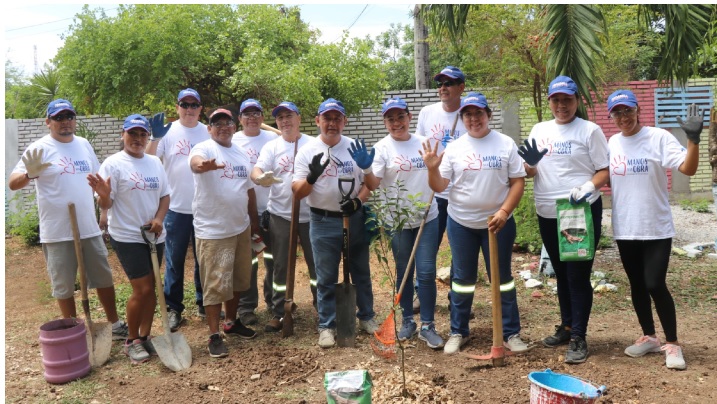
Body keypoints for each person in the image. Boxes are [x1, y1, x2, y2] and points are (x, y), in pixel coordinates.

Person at [8, 98, 128, 340]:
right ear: (48, 122)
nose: (65, 122)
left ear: (75, 120)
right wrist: (30, 174)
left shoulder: (83, 145)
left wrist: (104, 208)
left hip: (88, 227)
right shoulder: (39, 148)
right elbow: (12, 183)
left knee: (103, 276)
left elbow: (98, 184)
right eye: (59, 118)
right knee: (63, 284)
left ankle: (114, 324)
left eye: (69, 117)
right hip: (57, 230)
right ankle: (74, 329)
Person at [421, 92, 529, 355]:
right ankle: (458, 331)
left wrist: (504, 212)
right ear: (462, 119)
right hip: (462, 224)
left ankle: (510, 332)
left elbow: (518, 181)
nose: (473, 119)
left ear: (488, 115)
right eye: (467, 114)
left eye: (478, 113)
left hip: (498, 223)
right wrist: (432, 169)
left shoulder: (505, 143)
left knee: (502, 279)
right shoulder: (455, 148)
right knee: (462, 280)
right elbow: (439, 186)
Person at [606, 90, 703, 370]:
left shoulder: (658, 137)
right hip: (625, 228)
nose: (623, 117)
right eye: (617, 112)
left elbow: (689, 168)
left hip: (656, 227)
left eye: (628, 110)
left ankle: (672, 344)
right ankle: (649, 336)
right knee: (637, 285)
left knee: (654, 283)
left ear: (638, 110)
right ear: (612, 116)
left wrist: (694, 140)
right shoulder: (612, 143)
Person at [519, 76, 609, 364]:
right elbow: (530, 172)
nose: (562, 105)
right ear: (549, 102)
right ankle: (567, 326)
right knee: (560, 272)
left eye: (567, 99)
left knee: (577, 275)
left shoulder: (589, 130)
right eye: (556, 100)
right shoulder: (540, 129)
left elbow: (604, 170)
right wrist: (529, 165)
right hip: (547, 211)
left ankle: (579, 336)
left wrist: (588, 187)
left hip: (578, 211)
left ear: (577, 100)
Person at [292, 98, 378, 348]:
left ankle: (367, 317)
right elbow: (298, 193)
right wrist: (311, 177)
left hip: (354, 219)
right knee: (325, 275)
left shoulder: (354, 148)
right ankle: (327, 325)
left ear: (344, 122)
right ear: (318, 121)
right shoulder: (307, 151)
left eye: (337, 118)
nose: (332, 123)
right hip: (322, 220)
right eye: (327, 118)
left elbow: (370, 185)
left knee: (361, 271)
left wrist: (359, 200)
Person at [88, 114, 170, 364]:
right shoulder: (113, 164)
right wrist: (103, 196)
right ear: (122, 135)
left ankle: (144, 337)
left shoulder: (155, 162)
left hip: (155, 235)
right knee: (142, 289)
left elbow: (165, 196)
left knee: (154, 288)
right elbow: (107, 202)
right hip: (127, 235)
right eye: (132, 134)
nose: (137, 139)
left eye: (142, 134)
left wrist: (158, 219)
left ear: (147, 137)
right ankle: (130, 340)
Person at [363, 97, 443, 348]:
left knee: (427, 272)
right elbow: (373, 185)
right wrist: (366, 169)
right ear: (384, 122)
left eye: (400, 117)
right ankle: (408, 321)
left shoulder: (425, 143)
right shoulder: (381, 149)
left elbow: (438, 177)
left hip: (426, 218)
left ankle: (428, 325)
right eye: (390, 118)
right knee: (404, 272)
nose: (396, 122)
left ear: (409, 118)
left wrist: (433, 167)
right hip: (395, 221)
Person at [189, 108, 259, 358]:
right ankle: (214, 334)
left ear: (234, 126)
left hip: (240, 227)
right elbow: (195, 163)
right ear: (209, 129)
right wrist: (202, 166)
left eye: (227, 122)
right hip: (213, 231)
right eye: (216, 123)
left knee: (239, 279)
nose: (222, 126)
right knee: (215, 284)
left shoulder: (240, 152)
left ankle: (231, 321)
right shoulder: (204, 148)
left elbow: (248, 190)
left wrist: (254, 222)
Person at [251, 101, 318, 332]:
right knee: (280, 266)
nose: (285, 121)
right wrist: (260, 178)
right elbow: (256, 170)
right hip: (280, 214)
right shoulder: (272, 146)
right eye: (280, 118)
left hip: (311, 215)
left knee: (316, 264)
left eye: (289, 116)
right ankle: (279, 311)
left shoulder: (313, 144)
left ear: (299, 118)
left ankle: (322, 308)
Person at [146, 88, 209, 331]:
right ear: (177, 107)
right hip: (175, 208)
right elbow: (150, 161)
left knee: (203, 259)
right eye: (185, 104)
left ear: (200, 109)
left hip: (204, 207)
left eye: (194, 105)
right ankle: (174, 308)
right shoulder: (168, 132)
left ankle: (205, 302)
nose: (190, 109)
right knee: (174, 260)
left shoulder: (207, 131)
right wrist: (154, 138)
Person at [414, 66, 468, 314]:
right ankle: (419, 293)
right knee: (427, 246)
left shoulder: (469, 112)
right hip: (434, 192)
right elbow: (420, 147)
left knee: (460, 250)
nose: (443, 88)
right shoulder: (427, 112)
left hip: (461, 192)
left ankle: (457, 298)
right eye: (440, 83)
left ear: (461, 88)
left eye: (449, 83)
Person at [232, 99, 279, 326]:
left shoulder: (273, 138)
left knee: (273, 259)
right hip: (243, 210)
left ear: (262, 117)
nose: (252, 117)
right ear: (240, 119)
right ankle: (246, 307)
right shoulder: (232, 141)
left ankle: (274, 302)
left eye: (256, 113)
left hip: (272, 209)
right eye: (246, 114)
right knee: (248, 262)